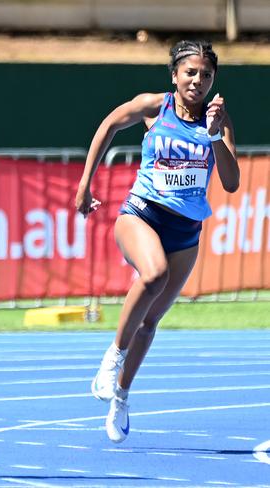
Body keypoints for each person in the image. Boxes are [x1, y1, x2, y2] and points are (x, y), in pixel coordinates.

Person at [75, 40, 239, 443]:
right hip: (142, 212)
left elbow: (232, 184)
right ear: (175, 75)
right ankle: (111, 359)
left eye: (205, 75)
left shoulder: (218, 119)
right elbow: (108, 125)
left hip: (186, 231)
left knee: (150, 322)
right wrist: (85, 185)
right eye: (190, 73)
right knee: (153, 274)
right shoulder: (155, 106)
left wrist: (215, 135)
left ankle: (122, 396)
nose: (197, 81)